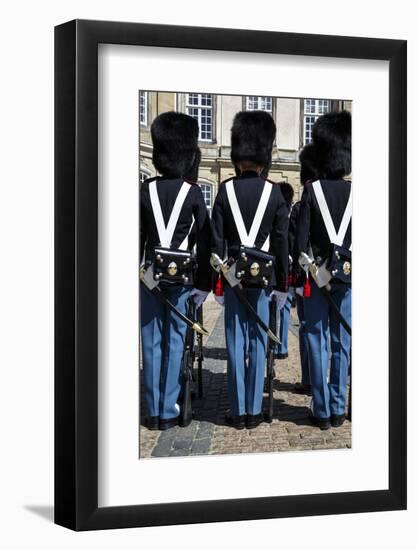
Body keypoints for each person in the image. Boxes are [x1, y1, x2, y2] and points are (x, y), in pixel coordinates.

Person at [211, 110, 289, 429]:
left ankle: (238, 409)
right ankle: (254, 410)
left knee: (234, 344)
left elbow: (215, 242)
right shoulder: (275, 193)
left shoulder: (224, 191)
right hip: (264, 282)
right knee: (258, 343)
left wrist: (219, 283)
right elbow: (282, 245)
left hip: (232, 280)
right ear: (264, 153)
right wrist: (283, 285)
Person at [140, 112, 211, 431]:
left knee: (151, 342)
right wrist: (204, 283)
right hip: (182, 280)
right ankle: (169, 408)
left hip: (151, 278)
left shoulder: (146, 189)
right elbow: (206, 240)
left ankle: (153, 409)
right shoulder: (194, 193)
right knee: (174, 342)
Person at [294, 111, 352, 430]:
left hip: (316, 278)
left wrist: (309, 271)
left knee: (316, 339)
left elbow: (301, 242)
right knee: (341, 342)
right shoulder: (357, 193)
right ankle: (339, 406)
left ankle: (322, 407)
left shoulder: (311, 190)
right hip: (348, 278)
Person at [275, 182, 295, 360]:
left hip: (275, 265)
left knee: (273, 306)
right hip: (288, 267)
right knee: (285, 308)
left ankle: (273, 343)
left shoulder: (277, 213)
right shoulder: (291, 215)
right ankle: (282, 347)